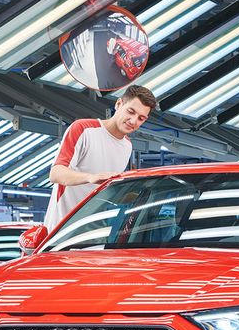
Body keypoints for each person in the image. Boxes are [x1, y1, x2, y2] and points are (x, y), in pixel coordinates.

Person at [43, 85, 156, 230]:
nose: (133, 121)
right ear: (118, 104)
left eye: (141, 118)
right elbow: (56, 173)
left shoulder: (127, 146)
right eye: (131, 112)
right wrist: (91, 178)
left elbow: (107, 193)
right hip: (60, 231)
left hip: (94, 233)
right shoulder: (84, 129)